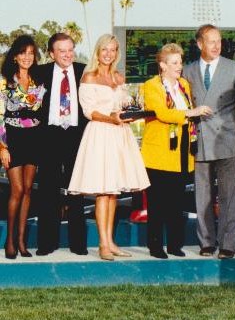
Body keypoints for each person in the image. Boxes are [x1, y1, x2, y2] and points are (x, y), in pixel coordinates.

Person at [67, 34, 150, 261]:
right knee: (103, 192)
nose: (108, 54)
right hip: (100, 133)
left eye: (113, 50)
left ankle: (111, 242)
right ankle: (103, 243)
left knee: (113, 191)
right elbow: (89, 111)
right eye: (105, 49)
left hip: (119, 135)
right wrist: (111, 119)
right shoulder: (89, 77)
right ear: (98, 51)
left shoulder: (119, 78)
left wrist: (128, 116)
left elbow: (123, 107)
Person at [182, 24, 235, 259]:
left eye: (219, 41)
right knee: (201, 194)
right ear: (199, 44)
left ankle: (227, 244)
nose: (216, 45)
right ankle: (205, 242)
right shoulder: (187, 71)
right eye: (211, 41)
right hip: (200, 140)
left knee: (229, 195)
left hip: (228, 139)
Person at [142, 43, 212, 259]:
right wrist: (191, 112)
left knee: (176, 201)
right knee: (157, 202)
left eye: (180, 62)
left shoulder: (184, 85)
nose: (179, 66)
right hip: (159, 153)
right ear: (162, 65)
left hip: (182, 151)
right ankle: (155, 246)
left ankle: (174, 244)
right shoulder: (151, 86)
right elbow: (162, 113)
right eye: (174, 63)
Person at [33, 33, 89, 256]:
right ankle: (47, 243)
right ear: (51, 53)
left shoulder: (84, 71)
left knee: (76, 190)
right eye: (61, 50)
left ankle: (78, 244)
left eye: (70, 49)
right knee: (48, 191)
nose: (67, 54)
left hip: (76, 136)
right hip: (50, 137)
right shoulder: (41, 73)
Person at [0, 35, 46, 258]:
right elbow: (0, 116)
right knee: (16, 190)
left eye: (31, 53)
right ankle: (9, 241)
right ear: (15, 56)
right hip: (13, 138)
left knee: (28, 190)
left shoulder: (39, 80)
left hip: (35, 139)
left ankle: (21, 241)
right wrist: (2, 147)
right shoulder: (4, 80)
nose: (27, 57)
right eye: (23, 53)